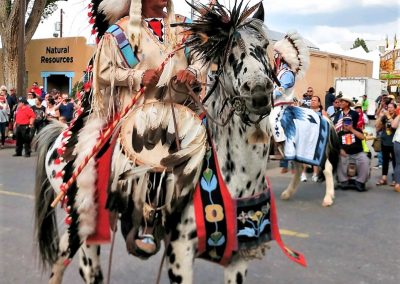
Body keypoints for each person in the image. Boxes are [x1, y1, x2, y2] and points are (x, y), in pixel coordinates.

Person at [86, 0, 206, 255]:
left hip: (184, 113)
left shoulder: (184, 27)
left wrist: (193, 71)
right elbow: (103, 72)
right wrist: (137, 76)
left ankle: (212, 216)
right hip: (140, 115)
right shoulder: (120, 33)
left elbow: (201, 59)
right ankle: (146, 222)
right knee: (151, 160)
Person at [336, 115, 369, 192]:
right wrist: (340, 149)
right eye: (345, 122)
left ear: (352, 123)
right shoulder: (340, 134)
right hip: (345, 154)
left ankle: (360, 182)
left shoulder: (357, 130)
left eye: (348, 122)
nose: (347, 124)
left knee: (365, 160)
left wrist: (352, 130)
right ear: (343, 124)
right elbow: (336, 144)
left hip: (358, 153)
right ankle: (343, 181)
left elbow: (362, 137)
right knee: (339, 159)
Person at [300, 96, 326, 182]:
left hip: (318, 137)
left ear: (319, 103)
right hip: (307, 136)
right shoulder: (306, 112)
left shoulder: (323, 112)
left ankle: (315, 174)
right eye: (312, 100)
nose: (313, 102)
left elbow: (327, 125)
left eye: (315, 100)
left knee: (316, 156)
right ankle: (303, 174)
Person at [375, 102, 397, 186]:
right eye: (388, 107)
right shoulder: (384, 117)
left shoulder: (396, 117)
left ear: (395, 109)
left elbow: (394, 125)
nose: (389, 109)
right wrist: (380, 117)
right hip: (385, 141)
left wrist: (388, 116)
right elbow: (377, 127)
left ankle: (396, 179)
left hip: (394, 142)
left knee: (395, 161)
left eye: (391, 107)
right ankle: (384, 178)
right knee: (385, 160)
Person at [390, 111, 400, 192]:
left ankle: (397, 183)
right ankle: (398, 184)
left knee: (398, 164)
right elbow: (393, 125)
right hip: (398, 142)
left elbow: (393, 125)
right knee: (399, 163)